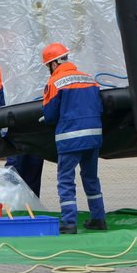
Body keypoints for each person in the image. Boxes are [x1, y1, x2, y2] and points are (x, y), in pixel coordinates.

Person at [41, 42, 106, 233]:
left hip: (70, 138)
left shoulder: (55, 82)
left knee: (66, 180)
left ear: (53, 64)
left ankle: (69, 222)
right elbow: (100, 107)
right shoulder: (89, 79)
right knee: (91, 178)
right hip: (93, 137)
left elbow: (51, 115)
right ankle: (98, 219)